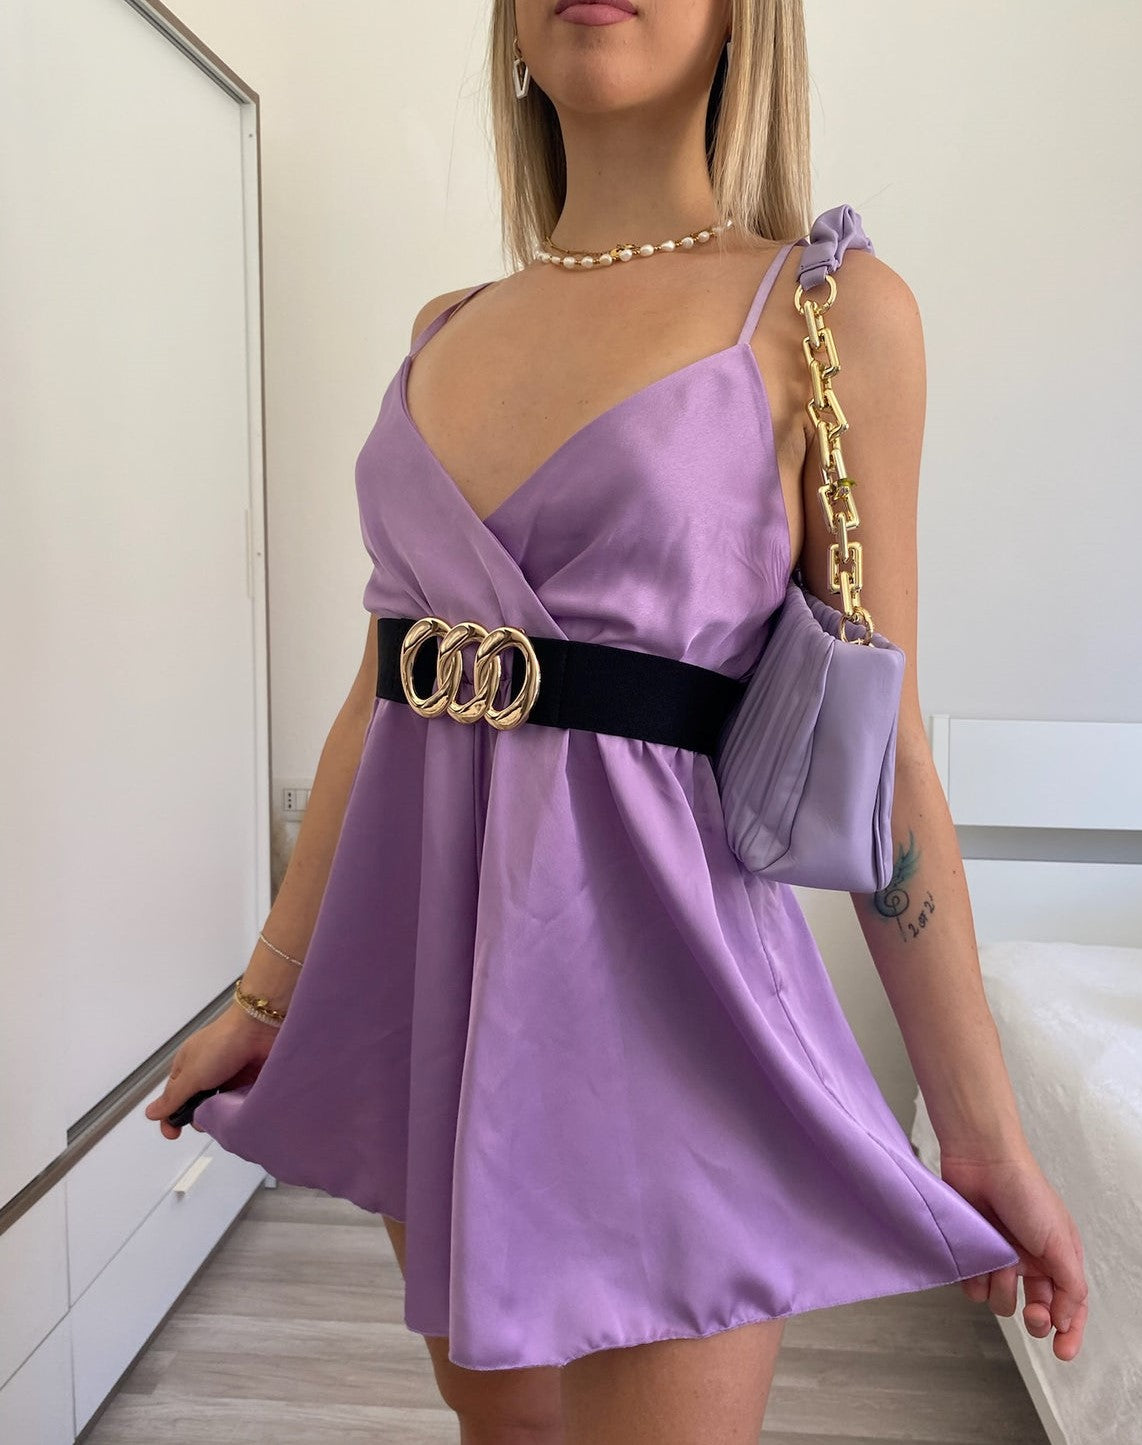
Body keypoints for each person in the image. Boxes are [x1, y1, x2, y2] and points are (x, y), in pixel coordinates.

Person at [145, 2, 1089, 1440]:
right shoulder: (443, 329)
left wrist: (983, 1132)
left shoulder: (829, 313)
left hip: (671, 1009)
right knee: (501, 1428)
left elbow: (882, 756)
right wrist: (265, 996)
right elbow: (379, 695)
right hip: (444, 990)